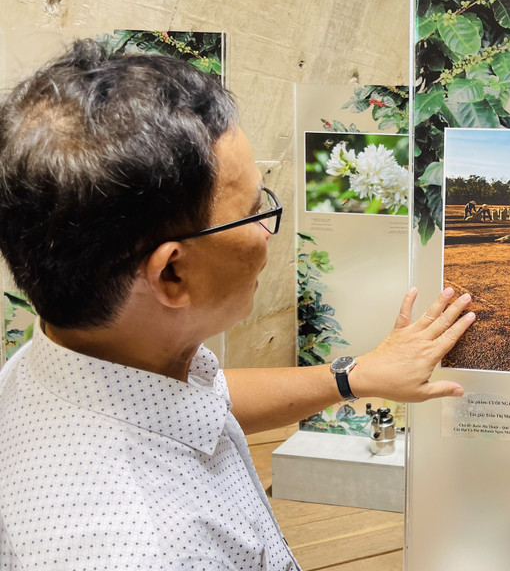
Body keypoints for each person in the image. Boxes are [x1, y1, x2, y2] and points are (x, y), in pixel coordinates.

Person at [0, 39, 474, 569]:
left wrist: (355, 375)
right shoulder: (151, 547)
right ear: (172, 273)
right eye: (252, 211)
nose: (269, 231)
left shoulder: (70, 361)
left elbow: (207, 400)